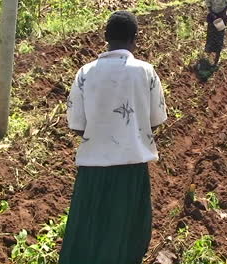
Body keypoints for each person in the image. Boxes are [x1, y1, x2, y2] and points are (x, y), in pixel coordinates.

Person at [59, 11, 168, 264]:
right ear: (135, 38)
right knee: (126, 234)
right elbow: (156, 120)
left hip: (92, 168)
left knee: (88, 232)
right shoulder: (147, 72)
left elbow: (76, 126)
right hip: (131, 167)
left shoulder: (85, 73)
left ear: (105, 37)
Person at [205, 0, 227, 66]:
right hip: (212, 16)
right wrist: (212, 13)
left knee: (220, 35)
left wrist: (223, 12)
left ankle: (216, 59)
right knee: (211, 36)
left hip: (222, 16)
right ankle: (209, 58)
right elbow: (208, 3)